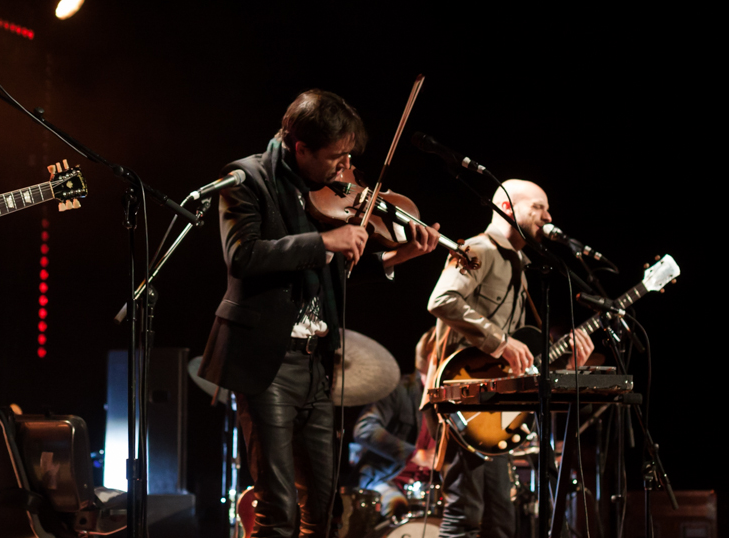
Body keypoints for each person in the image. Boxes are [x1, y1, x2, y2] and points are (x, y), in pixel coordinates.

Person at [198, 90, 440, 538]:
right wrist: (325, 241)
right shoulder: (244, 178)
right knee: (278, 510)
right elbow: (243, 256)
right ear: (300, 147)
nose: (343, 169)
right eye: (336, 156)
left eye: (348, 156)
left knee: (325, 508)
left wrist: (392, 259)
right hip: (265, 361)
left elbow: (336, 269)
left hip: (316, 362)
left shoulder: (323, 190)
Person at [426, 179, 593, 538]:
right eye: (538, 207)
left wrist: (565, 362)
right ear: (506, 207)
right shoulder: (478, 249)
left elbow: (521, 353)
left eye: (547, 209)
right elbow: (441, 300)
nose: (548, 217)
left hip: (494, 404)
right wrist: (500, 342)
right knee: (464, 516)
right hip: (460, 396)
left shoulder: (519, 264)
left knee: (500, 521)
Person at [351, 328, 436, 518]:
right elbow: (364, 429)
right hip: (385, 480)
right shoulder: (399, 390)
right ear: (432, 358)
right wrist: (414, 454)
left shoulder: (453, 401)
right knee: (397, 506)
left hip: (429, 489)